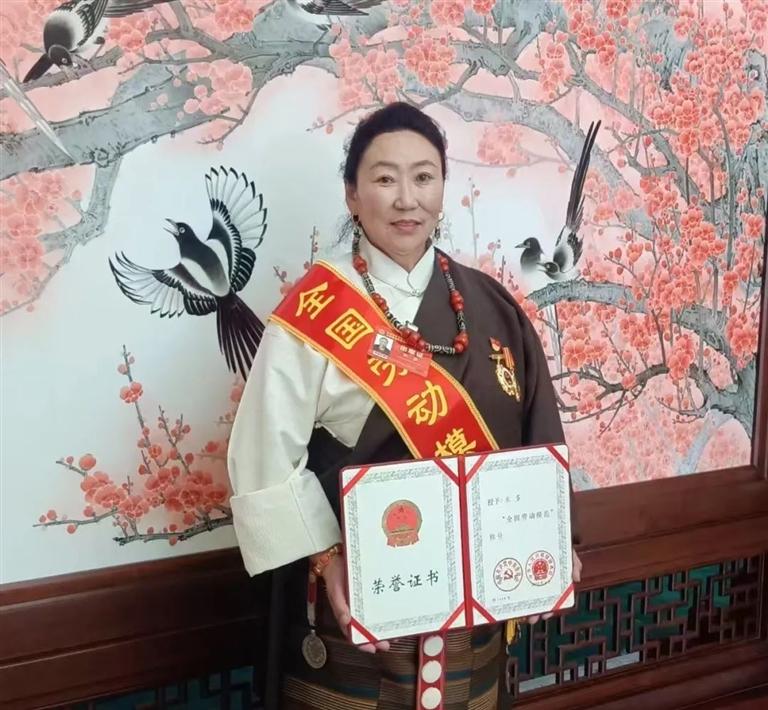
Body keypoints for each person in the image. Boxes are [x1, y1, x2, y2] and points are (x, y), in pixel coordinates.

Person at [227, 102, 582, 710]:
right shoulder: (316, 311)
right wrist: (328, 559)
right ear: (352, 194)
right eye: (385, 179)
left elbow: (537, 433)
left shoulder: (491, 305)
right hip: (359, 608)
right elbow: (263, 456)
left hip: (477, 608)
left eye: (423, 177)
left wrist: (553, 535)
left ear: (443, 188)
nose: (406, 199)